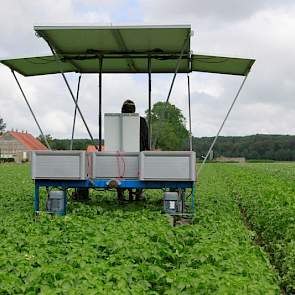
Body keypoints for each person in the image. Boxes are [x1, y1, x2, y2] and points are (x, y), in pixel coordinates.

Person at [117, 99, 149, 202]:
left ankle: (121, 194)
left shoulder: (117, 120)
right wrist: (146, 151)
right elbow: (145, 139)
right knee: (140, 173)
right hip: (137, 156)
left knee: (119, 172)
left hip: (119, 157)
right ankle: (138, 194)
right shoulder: (142, 121)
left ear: (122, 110)